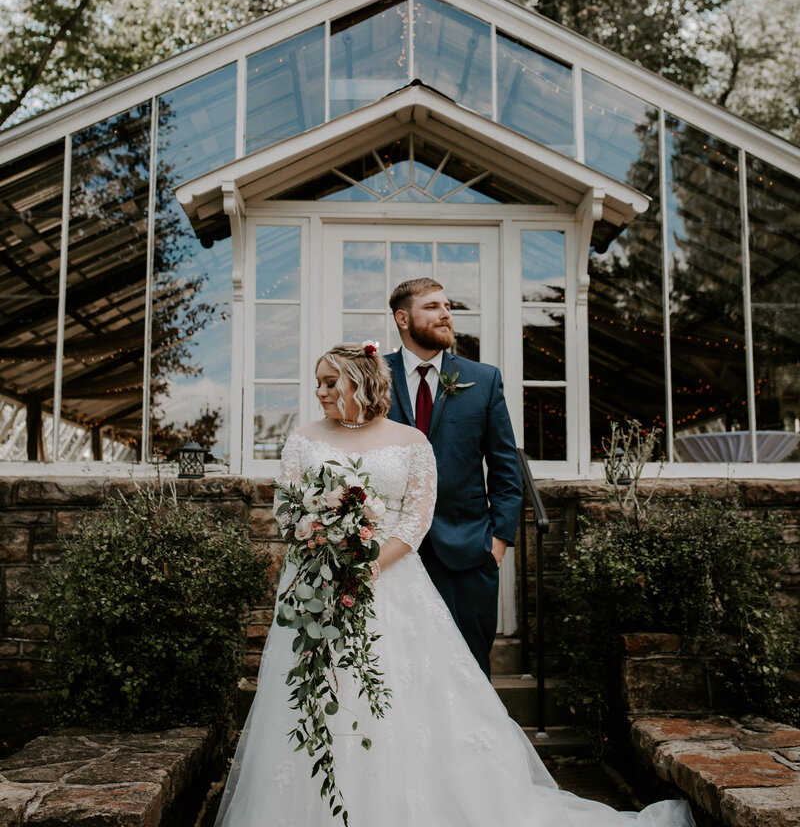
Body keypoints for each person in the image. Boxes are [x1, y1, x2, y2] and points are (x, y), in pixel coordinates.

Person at [215, 344, 694, 827]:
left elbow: (415, 519)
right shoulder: (303, 439)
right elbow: (286, 510)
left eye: (329, 382)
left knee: (397, 697)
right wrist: (320, 535)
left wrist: (364, 565)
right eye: (318, 382)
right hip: (316, 586)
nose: (319, 392)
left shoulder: (410, 442)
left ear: (360, 381)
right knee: (319, 693)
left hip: (390, 586)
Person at [383, 277, 522, 677]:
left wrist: (497, 541)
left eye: (447, 306)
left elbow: (505, 467)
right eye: (432, 307)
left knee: (468, 670)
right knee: (397, 671)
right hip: (391, 551)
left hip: (467, 549)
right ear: (403, 318)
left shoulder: (484, 380)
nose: (446, 314)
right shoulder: (373, 375)